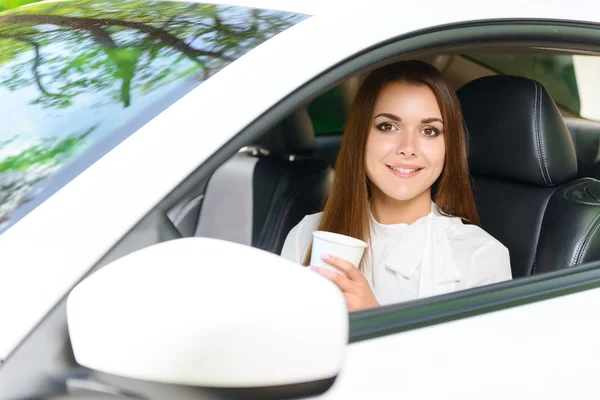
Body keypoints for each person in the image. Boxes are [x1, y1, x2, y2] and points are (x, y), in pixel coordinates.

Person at [280, 60, 512, 312]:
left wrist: (372, 319)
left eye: (429, 131)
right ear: (361, 137)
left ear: (449, 146)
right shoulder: (307, 235)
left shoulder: (481, 256)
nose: (408, 148)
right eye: (388, 126)